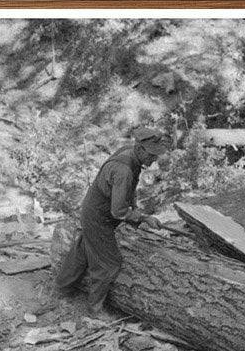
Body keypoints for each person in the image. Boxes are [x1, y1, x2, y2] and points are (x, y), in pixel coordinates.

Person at [55, 126, 170, 314]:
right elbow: (118, 211)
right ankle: (95, 309)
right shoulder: (124, 169)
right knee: (108, 263)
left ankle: (62, 287)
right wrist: (143, 218)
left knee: (84, 249)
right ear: (140, 149)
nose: (154, 159)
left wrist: (136, 212)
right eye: (152, 155)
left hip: (96, 211)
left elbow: (126, 192)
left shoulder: (129, 154)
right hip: (99, 218)